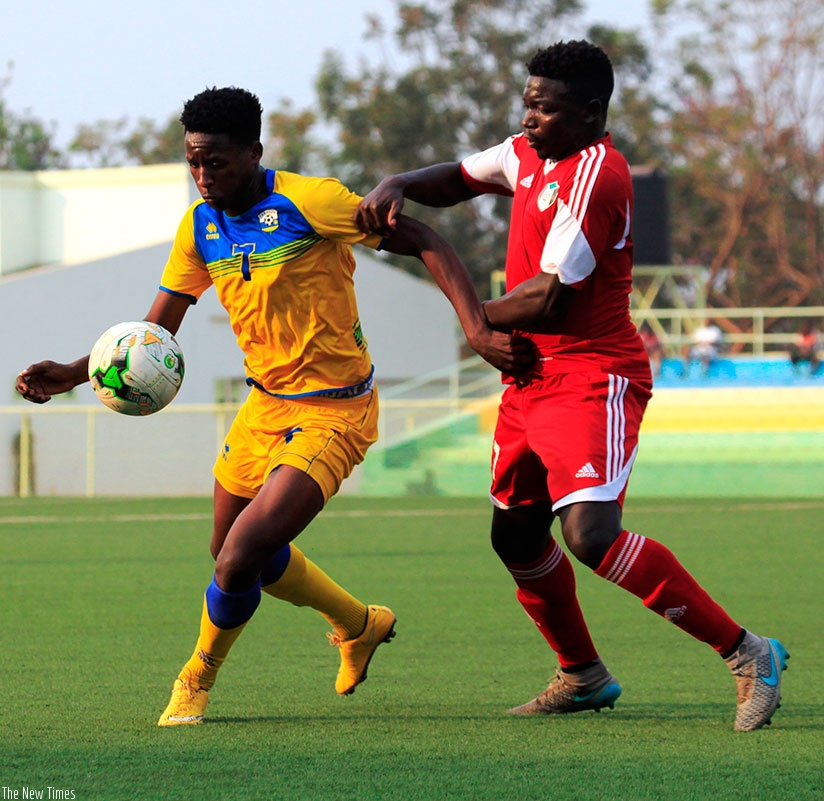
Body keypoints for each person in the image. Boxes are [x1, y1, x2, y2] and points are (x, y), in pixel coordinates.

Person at [15, 86, 532, 727]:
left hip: (337, 410)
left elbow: (425, 237)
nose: (203, 176)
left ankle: (195, 677)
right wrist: (75, 371)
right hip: (264, 407)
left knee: (239, 557)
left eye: (217, 162)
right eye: (193, 162)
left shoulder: (312, 201)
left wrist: (477, 328)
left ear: (254, 152)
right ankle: (357, 623)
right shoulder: (198, 227)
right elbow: (155, 330)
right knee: (226, 552)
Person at [355, 40, 788, 731]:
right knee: (516, 535)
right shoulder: (529, 154)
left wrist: (473, 321)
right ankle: (583, 674)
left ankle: (747, 652)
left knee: (589, 533)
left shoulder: (597, 176)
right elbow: (460, 178)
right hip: (529, 376)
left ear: (589, 113)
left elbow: (550, 298)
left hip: (593, 373)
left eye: (545, 110)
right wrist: (400, 181)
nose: (529, 120)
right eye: (527, 105)